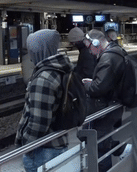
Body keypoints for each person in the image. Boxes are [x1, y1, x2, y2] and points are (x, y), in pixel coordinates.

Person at [15, 29, 73, 172]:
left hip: (43, 151)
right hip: (57, 143)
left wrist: (27, 146)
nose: (30, 55)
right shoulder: (60, 70)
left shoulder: (43, 79)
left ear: (39, 50)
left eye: (32, 51)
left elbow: (39, 121)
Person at [82, 29, 130, 171]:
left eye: (89, 47)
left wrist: (88, 85)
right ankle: (121, 150)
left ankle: (119, 153)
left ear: (96, 43)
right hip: (112, 105)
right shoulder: (115, 52)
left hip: (106, 107)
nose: (89, 52)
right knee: (99, 140)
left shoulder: (108, 58)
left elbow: (98, 88)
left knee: (98, 143)